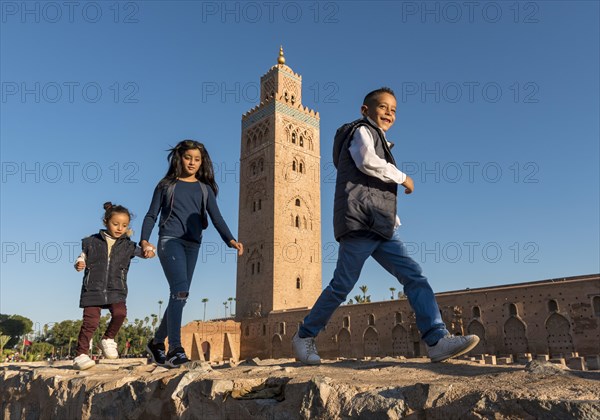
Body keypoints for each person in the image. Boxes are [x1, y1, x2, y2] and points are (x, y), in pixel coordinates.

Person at [292, 87, 479, 365]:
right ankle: (304, 336)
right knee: (342, 285)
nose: (389, 113)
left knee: (414, 276)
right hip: (360, 223)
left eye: (393, 109)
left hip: (381, 226)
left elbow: (372, 185)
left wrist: (393, 219)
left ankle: (437, 340)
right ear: (365, 110)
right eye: (383, 107)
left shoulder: (379, 140)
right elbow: (367, 162)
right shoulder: (361, 132)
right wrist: (403, 178)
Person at [141, 140, 244, 368]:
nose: (192, 163)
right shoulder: (166, 185)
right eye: (188, 157)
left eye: (197, 159)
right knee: (178, 291)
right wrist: (145, 240)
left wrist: (231, 240)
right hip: (170, 241)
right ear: (180, 158)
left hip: (193, 245)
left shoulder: (205, 189)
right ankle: (174, 349)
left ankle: (157, 342)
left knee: (182, 294)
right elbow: (151, 215)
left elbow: (217, 218)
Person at [73, 202, 154, 370]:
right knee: (90, 322)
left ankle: (108, 339)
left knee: (120, 313)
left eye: (124, 225)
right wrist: (79, 263)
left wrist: (149, 251)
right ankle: (80, 355)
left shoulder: (128, 245)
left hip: (117, 288)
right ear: (106, 222)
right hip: (93, 289)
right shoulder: (91, 242)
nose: (119, 228)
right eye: (115, 224)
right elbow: (82, 257)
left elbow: (143, 253)